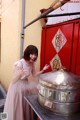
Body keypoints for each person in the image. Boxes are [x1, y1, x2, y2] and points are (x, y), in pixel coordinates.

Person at [3, 45, 49, 120]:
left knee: (24, 104)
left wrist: (43, 70)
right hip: (16, 87)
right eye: (32, 54)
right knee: (17, 105)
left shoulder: (32, 63)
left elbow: (34, 75)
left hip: (25, 85)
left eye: (35, 54)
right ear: (27, 53)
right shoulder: (19, 64)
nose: (33, 56)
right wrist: (20, 74)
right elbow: (13, 80)